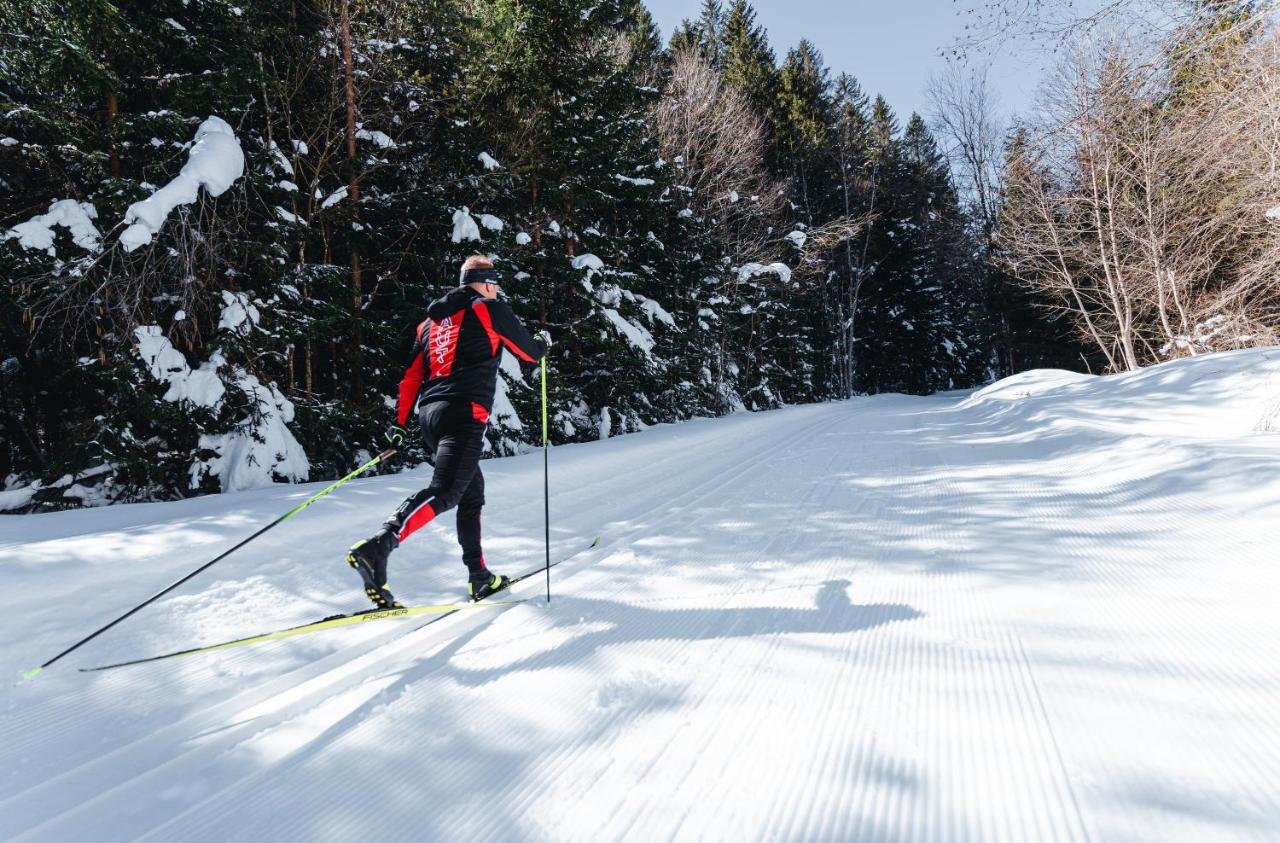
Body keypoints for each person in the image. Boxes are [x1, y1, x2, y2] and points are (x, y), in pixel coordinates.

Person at [346, 254, 548, 608]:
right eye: (495, 285)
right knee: (447, 491)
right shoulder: (488, 308)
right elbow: (528, 353)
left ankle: (480, 577)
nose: (497, 291)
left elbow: (411, 377)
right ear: (486, 282)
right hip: (463, 412)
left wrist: (399, 427)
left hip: (431, 416)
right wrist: (544, 345)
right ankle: (379, 547)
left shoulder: (429, 324)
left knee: (471, 494)